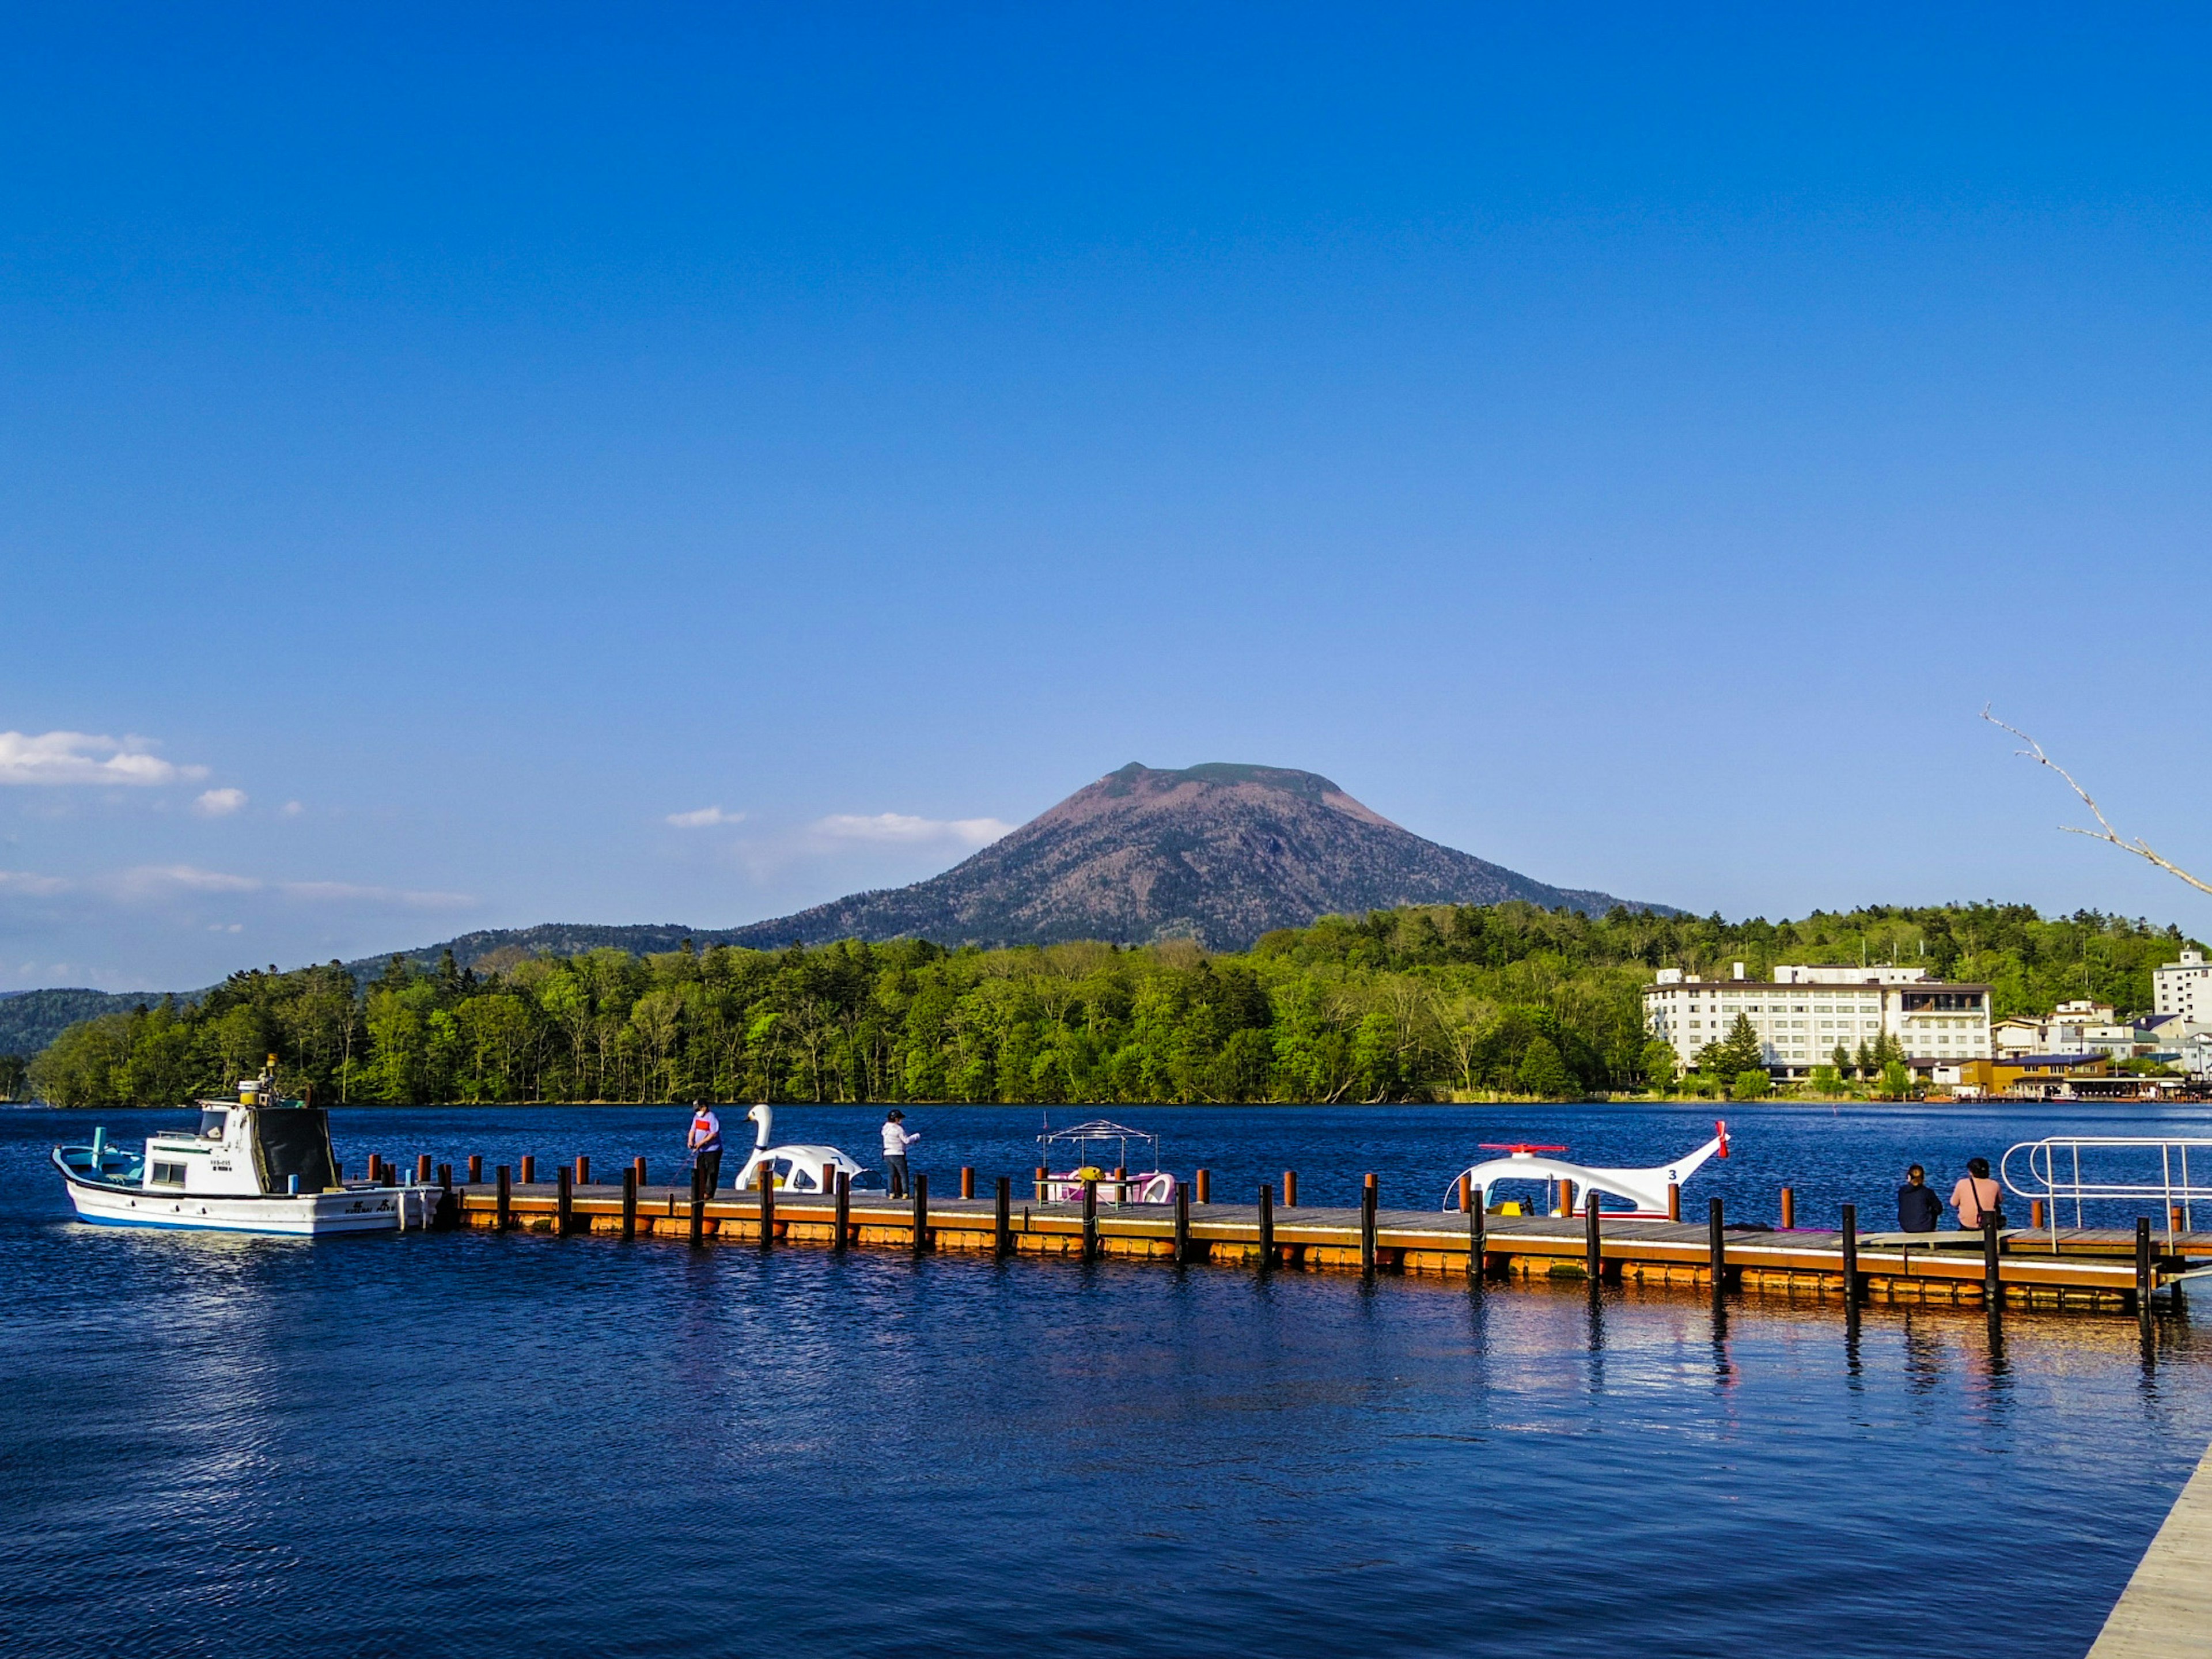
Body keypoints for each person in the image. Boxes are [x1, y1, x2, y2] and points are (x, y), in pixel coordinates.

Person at [1950, 1156, 2005, 1231]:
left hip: (1967, 1224)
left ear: (1971, 1172)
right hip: (1988, 1223)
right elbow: (2000, 1201)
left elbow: (1954, 1203)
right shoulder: (1994, 1184)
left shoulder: (1962, 1184)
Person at [687, 1101, 724, 1195]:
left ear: (704, 1108)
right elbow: (693, 1130)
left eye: (698, 1109)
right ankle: (700, 1192)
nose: (697, 1112)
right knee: (700, 1171)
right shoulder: (697, 1117)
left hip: (713, 1150)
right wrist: (690, 1140)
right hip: (701, 1151)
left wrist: (701, 1143)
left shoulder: (712, 1117)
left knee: (712, 1172)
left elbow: (713, 1134)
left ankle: (709, 1193)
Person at [881, 1109, 919, 1199]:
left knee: (891, 1174)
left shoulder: (885, 1128)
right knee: (903, 1174)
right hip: (898, 1153)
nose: (901, 1120)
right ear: (896, 1119)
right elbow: (906, 1141)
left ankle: (891, 1193)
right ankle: (905, 1193)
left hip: (887, 1153)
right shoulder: (899, 1129)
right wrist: (916, 1137)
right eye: (900, 1118)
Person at [1897, 1164, 1941, 1232]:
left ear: (1909, 1177)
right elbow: (1939, 1209)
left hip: (1906, 1227)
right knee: (1934, 1209)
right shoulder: (1927, 1192)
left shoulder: (1902, 1191)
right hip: (1926, 1227)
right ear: (1923, 1178)